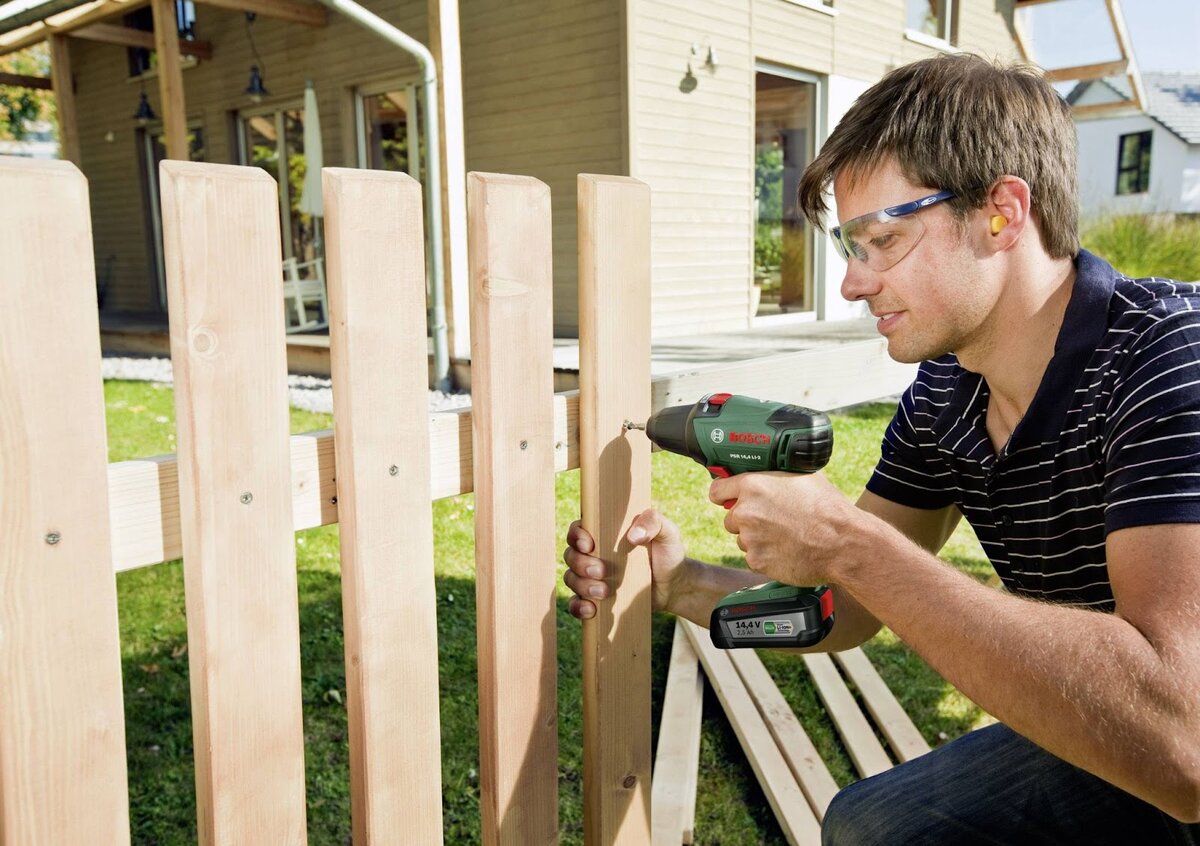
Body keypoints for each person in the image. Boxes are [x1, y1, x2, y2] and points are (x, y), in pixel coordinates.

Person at [562, 53, 1200, 844]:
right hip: (1126, 720)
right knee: (874, 828)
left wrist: (847, 543)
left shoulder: (1171, 360)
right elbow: (853, 608)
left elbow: (1184, 741)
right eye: (850, 246)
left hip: (1180, 739)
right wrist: (681, 583)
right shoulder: (947, 392)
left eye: (883, 240)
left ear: (1002, 213)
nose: (853, 285)